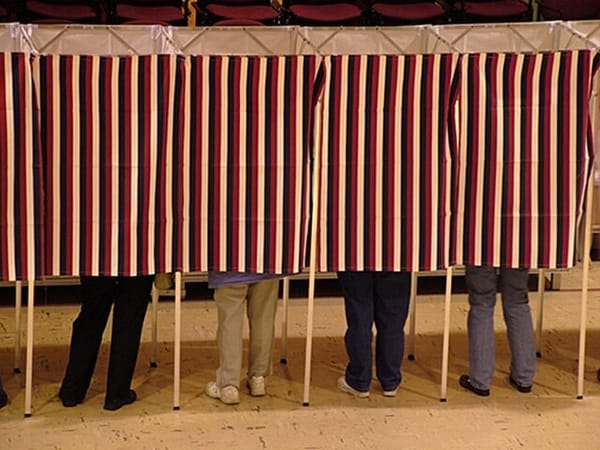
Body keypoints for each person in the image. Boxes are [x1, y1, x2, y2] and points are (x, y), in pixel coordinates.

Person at [58, 275, 153, 411]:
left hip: (97, 255)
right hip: (138, 256)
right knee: (129, 317)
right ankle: (117, 393)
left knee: (92, 312)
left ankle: (72, 390)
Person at [205, 272, 280, 405]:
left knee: (230, 319)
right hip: (267, 262)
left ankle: (229, 386)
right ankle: (259, 378)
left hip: (229, 265)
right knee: (263, 317)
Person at [459, 266, 536, 397]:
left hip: (482, 246)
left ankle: (480, 380)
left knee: (481, 301)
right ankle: (524, 378)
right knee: (518, 300)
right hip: (517, 246)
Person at [336, 271, 411, 398]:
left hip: (356, 255)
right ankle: (390, 381)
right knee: (393, 318)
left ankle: (359, 380)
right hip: (396, 255)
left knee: (360, 317)